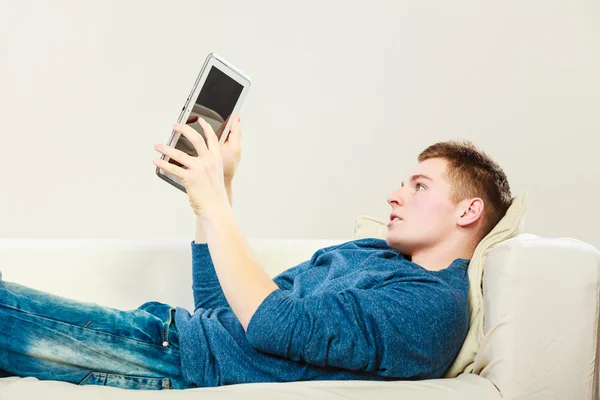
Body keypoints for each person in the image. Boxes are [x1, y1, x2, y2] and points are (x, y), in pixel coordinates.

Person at [0, 116, 512, 390]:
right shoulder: (371, 254)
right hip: (165, 336)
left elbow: (272, 324)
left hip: (167, 360)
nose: (395, 195)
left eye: (419, 186)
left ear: (468, 211)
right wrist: (219, 190)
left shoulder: (429, 307)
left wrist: (216, 203)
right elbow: (222, 310)